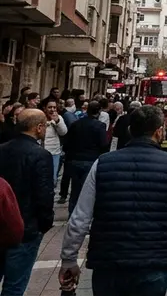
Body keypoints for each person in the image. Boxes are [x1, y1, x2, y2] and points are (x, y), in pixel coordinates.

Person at [58, 105, 167, 296]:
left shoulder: (102, 163)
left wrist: (69, 258)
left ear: (130, 130)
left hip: (108, 261)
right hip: (152, 262)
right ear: (159, 132)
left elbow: (80, 217)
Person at [0, 109, 54, 295]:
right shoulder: (41, 155)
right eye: (45, 126)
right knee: (15, 285)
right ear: (38, 127)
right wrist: (44, 223)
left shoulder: (2, 149)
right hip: (26, 227)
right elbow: (44, 194)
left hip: (3, 223)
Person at [61, 102, 108, 213]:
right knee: (88, 191)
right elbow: (104, 145)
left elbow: (67, 143)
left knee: (75, 190)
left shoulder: (75, 124)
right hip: (91, 161)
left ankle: (72, 213)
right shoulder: (100, 126)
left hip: (75, 160)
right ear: (99, 111)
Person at [40, 100, 68, 189]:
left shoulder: (59, 118)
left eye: (54, 107)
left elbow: (63, 132)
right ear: (44, 108)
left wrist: (57, 121)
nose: (52, 110)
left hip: (54, 152)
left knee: (53, 177)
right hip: (41, 151)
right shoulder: (39, 117)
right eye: (50, 107)